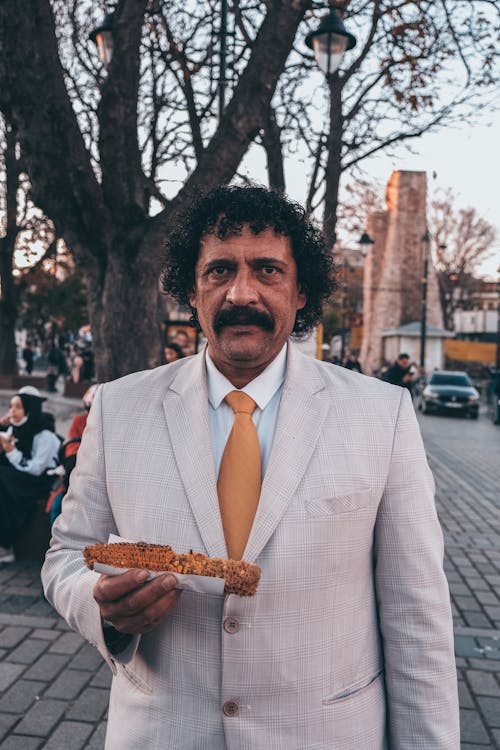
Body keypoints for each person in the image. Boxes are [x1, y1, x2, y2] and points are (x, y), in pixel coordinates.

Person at [42, 185, 459, 749]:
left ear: (301, 289)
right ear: (191, 291)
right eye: (219, 271)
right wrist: (103, 607)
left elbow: (417, 619)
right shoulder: (119, 409)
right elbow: (68, 555)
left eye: (267, 270)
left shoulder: (380, 415)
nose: (242, 292)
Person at [0, 386, 61, 563]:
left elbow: (36, 468)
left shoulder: (46, 436)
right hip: (21, 477)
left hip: (41, 481)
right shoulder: (15, 429)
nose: (12, 411)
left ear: (30, 409)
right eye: (11, 406)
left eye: (18, 407)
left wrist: (11, 451)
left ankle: (5, 545)